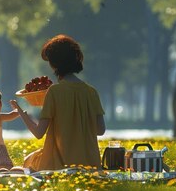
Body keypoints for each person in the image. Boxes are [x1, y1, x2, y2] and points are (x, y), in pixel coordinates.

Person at [11, 34, 106, 171]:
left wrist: (21, 112)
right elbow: (100, 130)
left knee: (27, 163)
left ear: (54, 64)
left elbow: (39, 133)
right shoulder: (91, 92)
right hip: (91, 167)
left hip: (60, 167)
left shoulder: (54, 92)